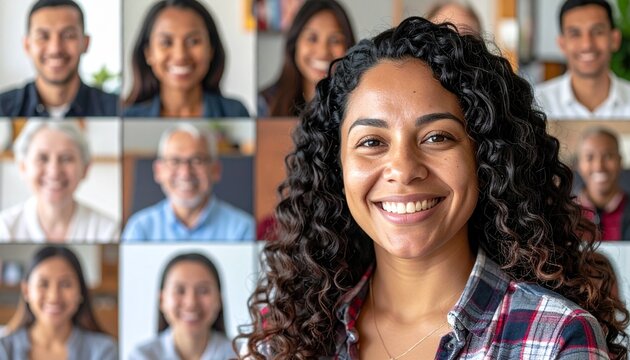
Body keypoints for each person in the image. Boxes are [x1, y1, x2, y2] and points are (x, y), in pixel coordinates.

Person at [239, 17, 629, 359]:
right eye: (371, 142)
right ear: (335, 167)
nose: (404, 169)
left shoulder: (557, 339)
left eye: (437, 137)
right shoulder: (289, 342)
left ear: (486, 157)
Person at [122, 123, 254, 241]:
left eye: (197, 160)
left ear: (216, 170)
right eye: (174, 161)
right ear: (158, 171)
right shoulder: (139, 228)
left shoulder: (242, 229)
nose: (185, 173)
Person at [124, 0, 249, 118]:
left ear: (211, 49)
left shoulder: (235, 112)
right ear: (148, 53)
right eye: (166, 42)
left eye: (193, 41)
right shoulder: (129, 117)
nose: (180, 56)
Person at [0, 120, 118, 242]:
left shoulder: (109, 232)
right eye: (42, 158)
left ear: (85, 168)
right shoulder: (4, 229)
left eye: (66, 159)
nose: (54, 172)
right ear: (23, 167)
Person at [0, 0, 119, 117]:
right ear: (27, 46)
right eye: (43, 36)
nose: (55, 49)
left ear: (86, 43)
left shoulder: (115, 109)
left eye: (68, 36)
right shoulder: (3, 109)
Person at [0, 246, 117, 360]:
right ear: (26, 291)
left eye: (65, 284)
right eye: (43, 284)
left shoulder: (103, 350)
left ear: (81, 290)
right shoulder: (4, 348)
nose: (54, 297)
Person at [258, 0, 355, 117]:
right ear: (294, 44)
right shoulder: (264, 105)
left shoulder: (357, 103)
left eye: (335, 40)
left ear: (349, 47)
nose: (323, 52)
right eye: (312, 38)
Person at [535, 0, 630, 119]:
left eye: (597, 32)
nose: (587, 44)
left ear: (615, 39)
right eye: (575, 34)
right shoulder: (537, 104)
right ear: (562, 44)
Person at [130, 252, 234, 360]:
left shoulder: (241, 354)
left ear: (219, 299)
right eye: (179, 290)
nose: (191, 303)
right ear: (162, 300)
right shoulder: (141, 356)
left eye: (203, 291)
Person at [576, 127, 630, 240]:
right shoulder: (565, 212)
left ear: (620, 161)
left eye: (608, 156)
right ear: (579, 165)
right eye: (590, 157)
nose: (599, 166)